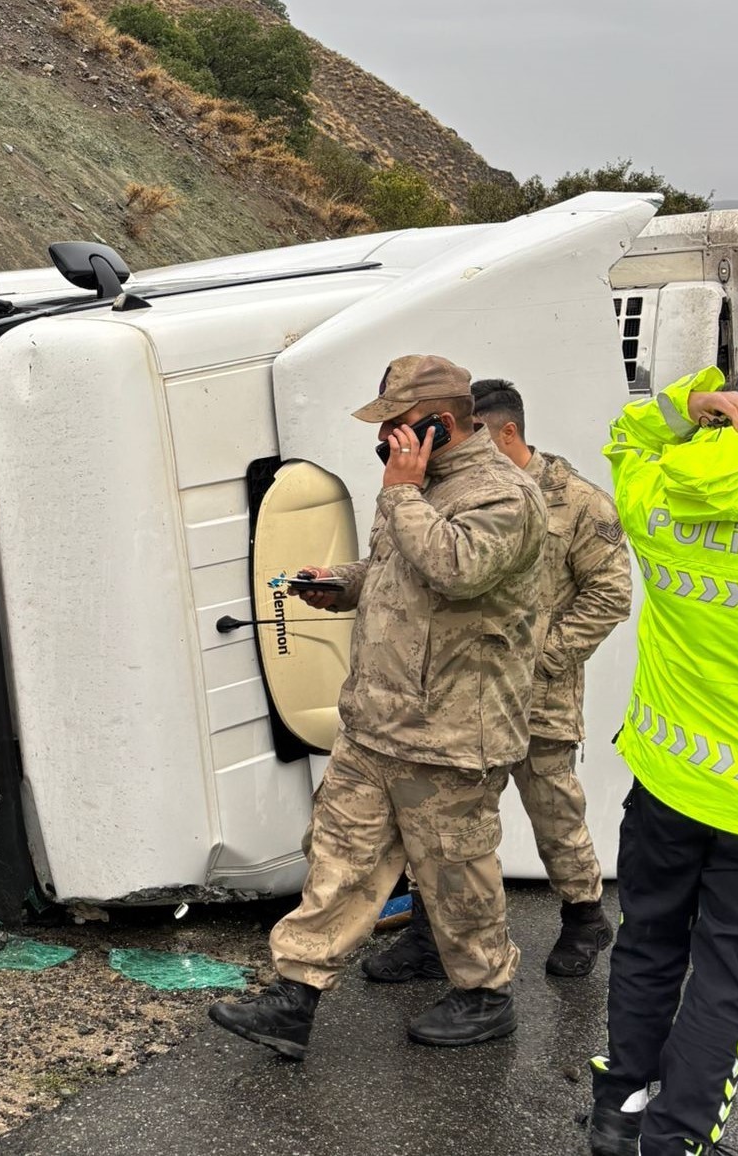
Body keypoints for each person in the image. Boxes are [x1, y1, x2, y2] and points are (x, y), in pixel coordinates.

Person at [208, 353, 546, 1057]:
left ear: (441, 424)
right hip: (377, 721)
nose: (386, 440)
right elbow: (403, 571)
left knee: (456, 870)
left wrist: (401, 491)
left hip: (452, 729)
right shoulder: (416, 488)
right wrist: (344, 582)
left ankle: (485, 995)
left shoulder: (503, 496)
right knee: (338, 857)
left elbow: (457, 569)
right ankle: (293, 999)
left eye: (396, 426)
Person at [586, 369, 738, 1156]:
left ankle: (618, 1115)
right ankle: (673, 1142)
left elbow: (626, 435)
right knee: (727, 979)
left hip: (670, 786)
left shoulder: (657, 501)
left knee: (648, 942)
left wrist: (684, 407)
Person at [364, 379, 632, 984]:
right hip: (460, 699)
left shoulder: (580, 503)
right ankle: (430, 938)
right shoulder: (445, 493)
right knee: (445, 824)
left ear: (505, 431)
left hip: (537, 696)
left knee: (554, 811)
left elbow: (610, 594)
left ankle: (585, 917)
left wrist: (543, 658)